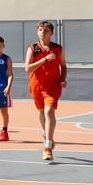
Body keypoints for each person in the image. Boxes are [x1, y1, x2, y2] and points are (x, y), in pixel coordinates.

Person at [25, 21, 67, 161]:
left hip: (53, 87)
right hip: (37, 86)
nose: (43, 32)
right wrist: (44, 59)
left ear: (51, 33)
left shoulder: (58, 49)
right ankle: (45, 133)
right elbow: (27, 68)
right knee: (42, 112)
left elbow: (63, 66)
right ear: (38, 32)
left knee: (49, 112)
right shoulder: (33, 48)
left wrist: (62, 78)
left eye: (46, 30)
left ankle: (48, 147)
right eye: (41, 30)